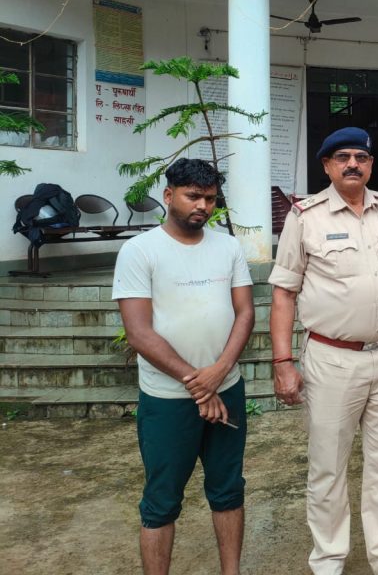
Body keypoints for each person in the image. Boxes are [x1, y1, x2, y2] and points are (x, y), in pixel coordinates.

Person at [268, 127, 378, 575]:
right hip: (332, 359)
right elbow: (284, 293)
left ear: (371, 165)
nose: (353, 164)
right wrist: (282, 362)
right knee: (328, 467)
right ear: (327, 165)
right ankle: (328, 560)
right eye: (343, 157)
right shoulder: (306, 216)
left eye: (361, 157)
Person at [113, 158, 255, 575]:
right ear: (168, 195)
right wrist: (199, 384)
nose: (203, 206)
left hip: (227, 389)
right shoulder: (140, 251)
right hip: (167, 400)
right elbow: (139, 333)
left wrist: (219, 373)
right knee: (161, 500)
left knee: (229, 490)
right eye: (193, 196)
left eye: (209, 199)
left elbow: (245, 313)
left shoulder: (227, 247)